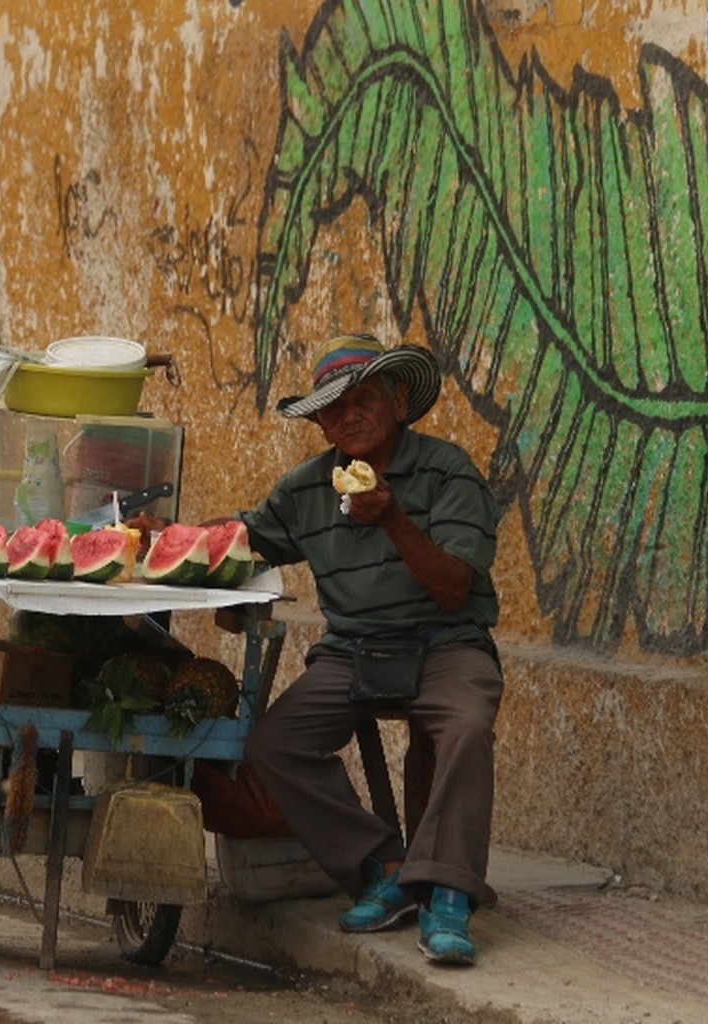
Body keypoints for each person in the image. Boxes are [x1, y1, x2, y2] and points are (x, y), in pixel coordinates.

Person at [236, 333, 503, 966]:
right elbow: (242, 537)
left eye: (365, 400)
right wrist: (164, 535)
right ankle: (383, 864)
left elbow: (453, 587)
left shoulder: (448, 472)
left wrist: (392, 518)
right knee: (273, 746)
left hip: (447, 642)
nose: (349, 417)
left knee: (465, 728)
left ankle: (446, 891)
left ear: (399, 402)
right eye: (334, 408)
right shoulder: (307, 488)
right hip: (354, 649)